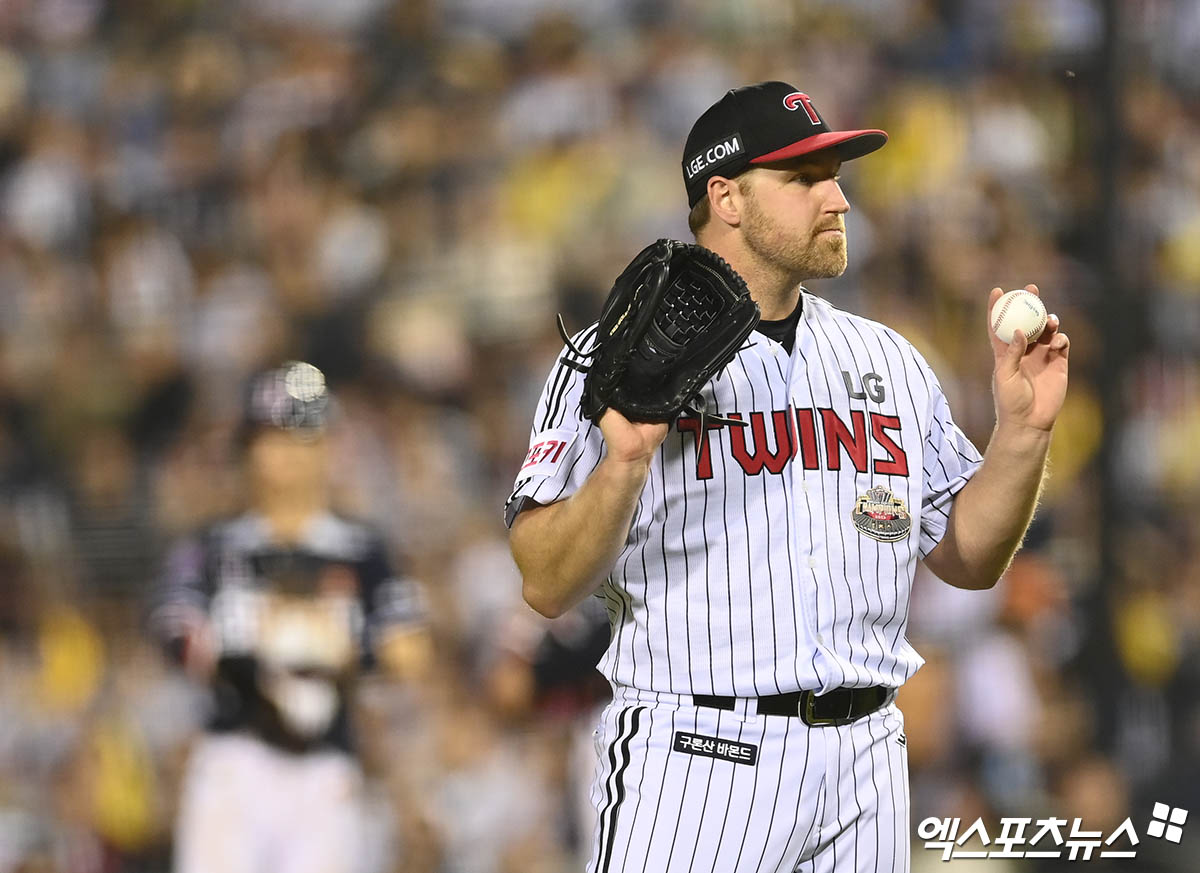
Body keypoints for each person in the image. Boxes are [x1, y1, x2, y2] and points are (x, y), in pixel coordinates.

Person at [505, 81, 1070, 873]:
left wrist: (1024, 431)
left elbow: (970, 557)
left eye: (834, 174)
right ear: (726, 197)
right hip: (701, 758)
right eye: (804, 180)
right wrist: (626, 458)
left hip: (868, 759)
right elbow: (544, 580)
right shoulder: (614, 355)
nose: (837, 197)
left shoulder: (889, 360)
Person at [149, 361, 430, 873]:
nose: (280, 454)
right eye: (269, 438)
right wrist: (259, 646)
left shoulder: (362, 549)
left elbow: (410, 648)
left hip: (324, 765)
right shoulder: (214, 546)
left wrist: (338, 647)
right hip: (233, 759)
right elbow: (172, 628)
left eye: (297, 437)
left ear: (326, 446)